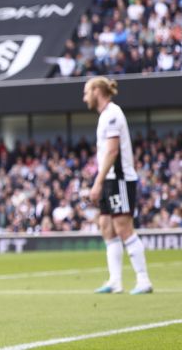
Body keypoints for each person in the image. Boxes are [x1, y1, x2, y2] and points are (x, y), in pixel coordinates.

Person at [83, 77, 153, 295]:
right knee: (106, 225)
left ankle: (143, 280)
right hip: (110, 179)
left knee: (123, 228)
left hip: (119, 179)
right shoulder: (105, 116)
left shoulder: (112, 114)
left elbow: (113, 151)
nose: (84, 98)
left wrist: (98, 181)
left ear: (96, 91)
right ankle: (115, 281)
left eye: (86, 92)